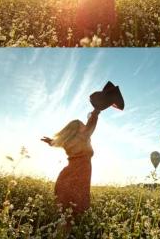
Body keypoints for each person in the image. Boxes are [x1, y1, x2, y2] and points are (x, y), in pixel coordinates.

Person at [40, 82, 123, 235]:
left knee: (66, 211)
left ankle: (60, 233)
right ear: (77, 129)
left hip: (69, 173)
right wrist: (97, 109)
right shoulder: (84, 136)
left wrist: (50, 142)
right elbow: (92, 121)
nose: (84, 126)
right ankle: (62, 234)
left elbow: (55, 142)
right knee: (73, 211)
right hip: (79, 175)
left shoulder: (66, 140)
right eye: (81, 125)